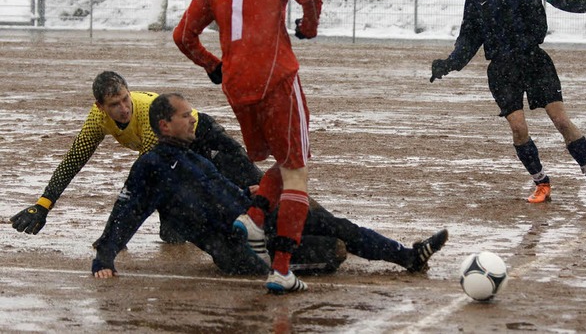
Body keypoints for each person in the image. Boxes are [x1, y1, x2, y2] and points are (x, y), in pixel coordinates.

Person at [92, 93, 449, 288]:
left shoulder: (193, 153)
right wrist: (104, 257)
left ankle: (408, 256)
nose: (193, 119)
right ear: (164, 125)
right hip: (240, 251)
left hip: (256, 220)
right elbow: (127, 209)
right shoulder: (152, 166)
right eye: (185, 116)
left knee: (331, 222)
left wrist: (253, 191)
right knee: (334, 249)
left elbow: (221, 187)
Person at [173, 0, 323, 293]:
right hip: (275, 79)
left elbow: (183, 35)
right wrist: (308, 28)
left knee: (286, 160)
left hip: (238, 87)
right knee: (297, 171)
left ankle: (255, 216)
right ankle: (282, 269)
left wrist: (213, 66)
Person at [429, 0, 586, 204]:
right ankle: (542, 183)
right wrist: (448, 64)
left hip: (534, 61)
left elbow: (563, 0)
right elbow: (469, 39)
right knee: (518, 129)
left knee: (561, 121)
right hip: (502, 69)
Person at [10, 71, 262, 242]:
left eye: (124, 99)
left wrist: (115, 233)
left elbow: (143, 178)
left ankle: (290, 226)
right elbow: (74, 159)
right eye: (114, 105)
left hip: (204, 136)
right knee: (173, 234)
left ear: (129, 93)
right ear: (100, 107)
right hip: (178, 155)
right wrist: (44, 204)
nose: (123, 109)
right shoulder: (96, 121)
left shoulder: (149, 113)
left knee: (258, 187)